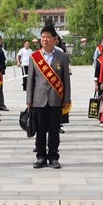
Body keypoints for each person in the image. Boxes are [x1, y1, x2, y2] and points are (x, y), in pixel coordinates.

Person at [27, 25, 71, 169]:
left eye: (48, 37)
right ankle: (40, 157)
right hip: (38, 100)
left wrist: (67, 99)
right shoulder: (34, 57)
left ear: (55, 39)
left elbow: (66, 80)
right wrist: (29, 100)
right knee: (39, 131)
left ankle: (53, 157)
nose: (44, 39)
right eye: (43, 37)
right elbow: (30, 81)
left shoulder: (62, 57)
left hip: (55, 100)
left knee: (54, 131)